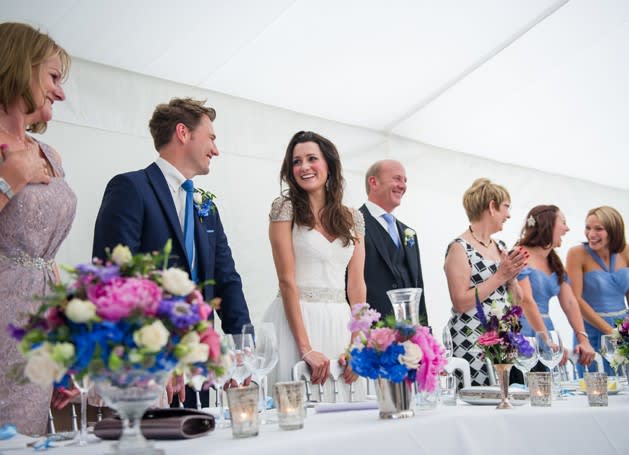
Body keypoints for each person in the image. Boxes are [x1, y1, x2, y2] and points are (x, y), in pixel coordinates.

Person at [92, 97, 251, 406]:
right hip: (149, 364)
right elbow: (113, 281)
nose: (216, 150)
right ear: (183, 133)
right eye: (211, 138)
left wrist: (242, 349)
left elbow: (226, 279)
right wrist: (158, 359)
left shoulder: (206, 206)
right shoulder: (131, 188)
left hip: (201, 364)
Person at [0, 22, 75, 436]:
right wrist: (7, 180)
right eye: (53, 77)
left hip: (40, 325)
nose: (60, 92)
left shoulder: (50, 152)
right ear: (18, 66)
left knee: (29, 436)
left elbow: (47, 255)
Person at [264, 131, 366, 401]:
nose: (304, 167)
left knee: (344, 410)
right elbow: (286, 280)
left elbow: (356, 285)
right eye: (296, 161)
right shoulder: (284, 209)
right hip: (296, 322)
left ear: (329, 165)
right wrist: (305, 348)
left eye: (312, 159)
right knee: (297, 410)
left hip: (340, 323)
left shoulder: (353, 218)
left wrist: (358, 345)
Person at [444, 178, 526, 386]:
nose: (508, 215)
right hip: (472, 341)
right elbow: (460, 302)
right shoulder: (459, 248)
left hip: (504, 339)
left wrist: (512, 277)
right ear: (491, 206)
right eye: (506, 207)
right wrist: (500, 276)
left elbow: (517, 302)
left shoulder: (501, 247)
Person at [515, 205, 595, 372]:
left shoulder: (554, 262)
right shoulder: (519, 255)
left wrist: (583, 339)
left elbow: (570, 303)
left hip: (547, 332)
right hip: (524, 336)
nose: (567, 228)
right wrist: (546, 339)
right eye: (563, 222)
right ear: (548, 224)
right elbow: (526, 301)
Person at [359, 160, 428, 324]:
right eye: (397, 178)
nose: (403, 186)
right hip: (372, 335)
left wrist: (424, 334)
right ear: (374, 182)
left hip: (409, 335)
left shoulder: (409, 233)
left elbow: (418, 288)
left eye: (405, 181)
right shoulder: (354, 223)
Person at [566, 206, 629, 375]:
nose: (591, 234)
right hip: (592, 331)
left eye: (598, 229)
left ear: (614, 230)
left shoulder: (626, 251)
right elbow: (575, 300)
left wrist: (624, 333)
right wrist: (612, 333)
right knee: (596, 389)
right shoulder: (577, 254)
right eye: (588, 228)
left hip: (624, 329)